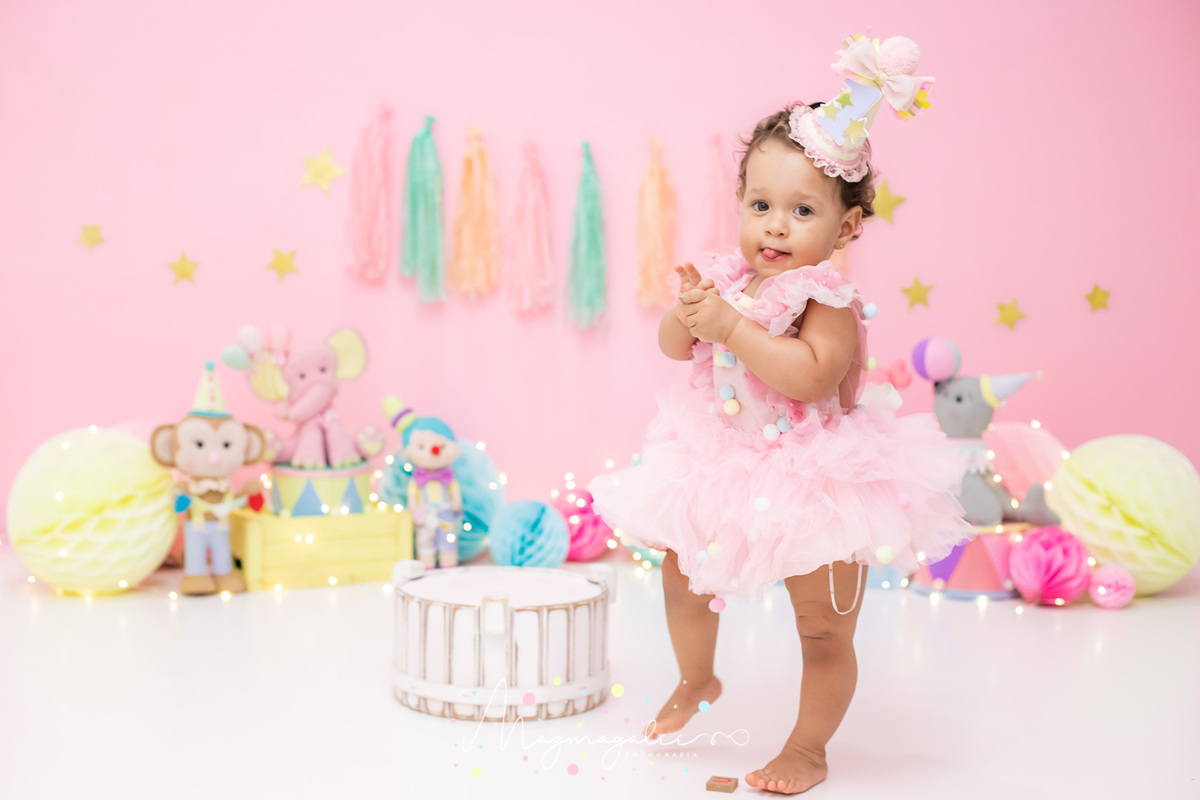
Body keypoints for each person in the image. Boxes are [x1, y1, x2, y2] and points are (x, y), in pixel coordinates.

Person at [590, 34, 972, 795]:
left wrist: (732, 327)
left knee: (823, 627)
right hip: (725, 462)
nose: (774, 226)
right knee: (682, 575)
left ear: (846, 227)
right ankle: (697, 677)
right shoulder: (731, 278)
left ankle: (808, 747)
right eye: (760, 205)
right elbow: (675, 347)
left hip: (820, 472)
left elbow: (811, 374)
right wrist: (690, 312)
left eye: (801, 210)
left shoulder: (826, 299)